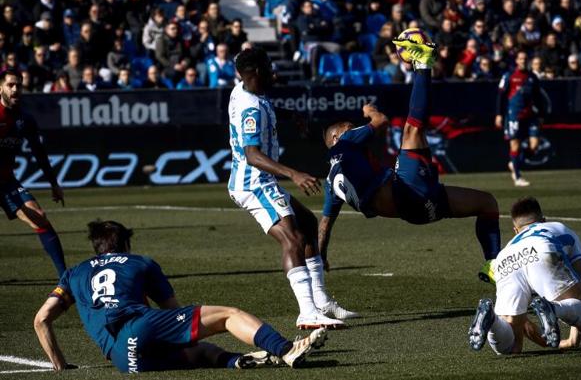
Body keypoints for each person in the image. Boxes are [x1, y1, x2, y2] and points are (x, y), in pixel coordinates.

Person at [34, 220, 328, 373]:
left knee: (203, 354)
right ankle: (285, 348)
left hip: (124, 361)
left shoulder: (73, 273)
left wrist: (60, 364)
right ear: (125, 243)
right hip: (140, 328)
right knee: (229, 316)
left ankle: (239, 361)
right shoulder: (139, 262)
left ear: (97, 247)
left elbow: (41, 320)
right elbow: (172, 310)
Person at [319, 39, 501, 285]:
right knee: (412, 131)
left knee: (486, 202)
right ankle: (424, 63)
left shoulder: (331, 182)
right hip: (404, 190)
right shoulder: (345, 141)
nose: (356, 130)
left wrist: (321, 256)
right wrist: (369, 112)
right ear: (335, 137)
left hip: (417, 211)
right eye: (350, 128)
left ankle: (493, 264)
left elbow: (325, 225)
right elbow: (381, 121)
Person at [227, 47, 356, 329]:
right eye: (269, 66)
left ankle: (321, 301)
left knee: (308, 224)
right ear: (257, 72)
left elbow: (262, 111)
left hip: (258, 181)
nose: (274, 71)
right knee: (293, 239)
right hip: (254, 182)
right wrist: (294, 174)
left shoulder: (243, 91)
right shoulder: (251, 107)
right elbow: (252, 155)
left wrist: (289, 114)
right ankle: (307, 311)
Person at [468, 197, 581, 354]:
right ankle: (554, 309)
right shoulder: (558, 227)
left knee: (512, 348)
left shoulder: (509, 246)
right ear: (544, 220)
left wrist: (552, 344)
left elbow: (522, 322)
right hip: (543, 248)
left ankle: (492, 320)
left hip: (504, 260)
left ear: (516, 230)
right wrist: (573, 339)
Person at [0, 68, 66, 277]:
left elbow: (39, 153)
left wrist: (53, 183)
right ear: (0, 87)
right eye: (10, 84)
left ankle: (65, 278)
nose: (15, 89)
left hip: (6, 180)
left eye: (19, 84)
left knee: (39, 216)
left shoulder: (25, 120)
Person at [495, 51, 545, 187]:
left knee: (534, 145)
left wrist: (541, 115)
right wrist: (499, 114)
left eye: (525, 58)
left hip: (530, 115)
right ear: (516, 60)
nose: (523, 61)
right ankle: (517, 177)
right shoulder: (509, 76)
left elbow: (538, 98)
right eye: (521, 58)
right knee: (515, 144)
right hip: (514, 115)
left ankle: (515, 163)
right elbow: (501, 95)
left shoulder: (532, 77)